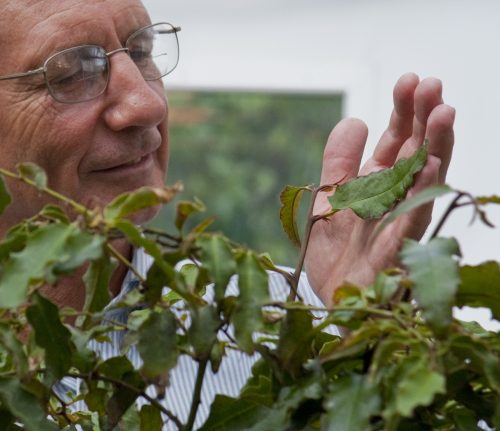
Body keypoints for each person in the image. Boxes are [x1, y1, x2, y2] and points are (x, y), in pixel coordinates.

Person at [0, 0, 455, 428]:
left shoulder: (272, 319)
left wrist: (343, 343)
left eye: (140, 52)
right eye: (74, 72)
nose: (148, 104)